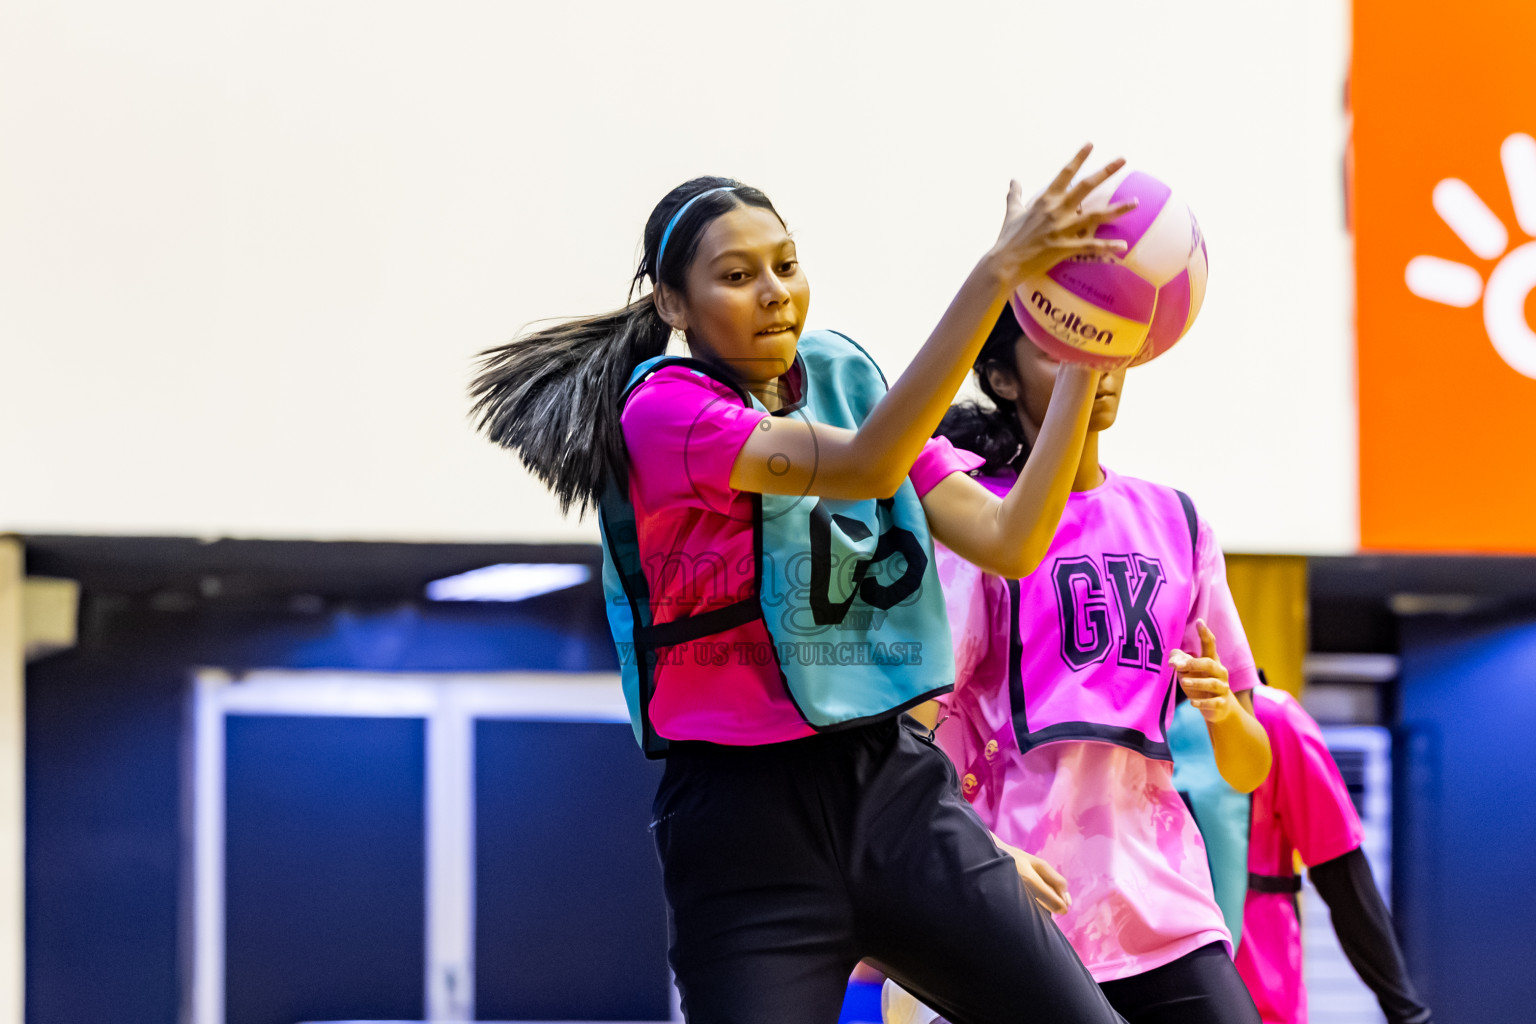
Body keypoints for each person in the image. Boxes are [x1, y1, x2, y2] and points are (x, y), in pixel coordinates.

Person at [470, 148, 1141, 1024]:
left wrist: (1083, 357)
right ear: (674, 304)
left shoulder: (845, 377)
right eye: (738, 275)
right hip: (746, 830)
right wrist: (996, 273)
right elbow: (867, 464)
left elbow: (1010, 539)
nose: (775, 290)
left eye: (786, 265)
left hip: (893, 791)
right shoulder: (665, 411)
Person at [890, 308, 1273, 1024]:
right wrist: (983, 850)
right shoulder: (979, 524)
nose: (1092, 367)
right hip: (1025, 891)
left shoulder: (1178, 522)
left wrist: (1223, 714)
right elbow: (914, 732)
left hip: (1165, 900)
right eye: (1059, 351)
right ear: (1002, 378)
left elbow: (1250, 767)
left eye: (1102, 347)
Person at [1235, 677, 1433, 1024]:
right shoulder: (1132, 719)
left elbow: (1341, 874)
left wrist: (1409, 1014)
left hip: (1262, 1000)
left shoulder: (1271, 718)